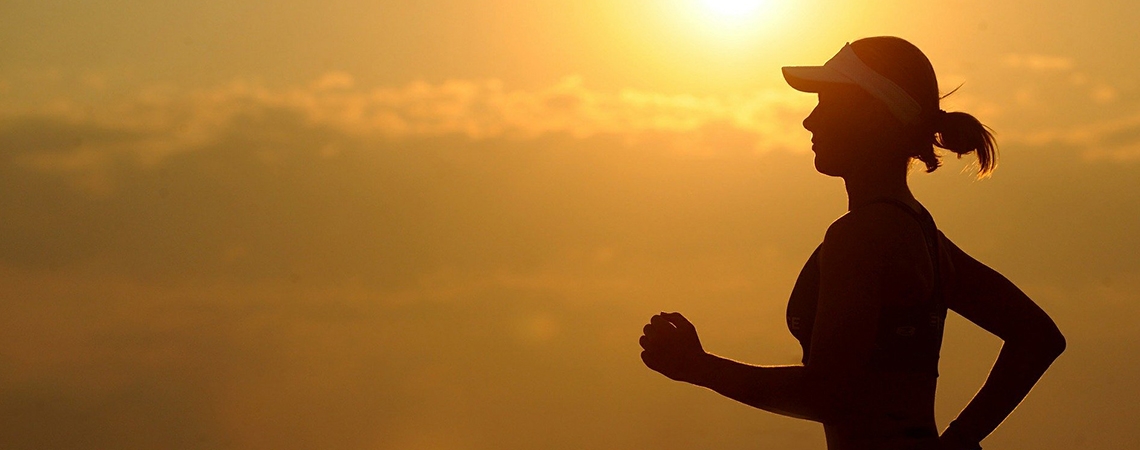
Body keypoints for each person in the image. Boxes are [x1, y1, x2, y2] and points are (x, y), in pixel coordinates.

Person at [637, 36, 1066, 450]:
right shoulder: (920, 232)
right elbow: (1037, 336)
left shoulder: (861, 236)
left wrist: (700, 368)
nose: (810, 120)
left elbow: (827, 394)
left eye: (826, 102)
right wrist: (958, 441)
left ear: (873, 115)